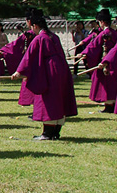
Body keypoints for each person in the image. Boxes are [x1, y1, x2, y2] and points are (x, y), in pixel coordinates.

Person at [10, 8, 78, 140]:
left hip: (50, 71)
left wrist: (19, 72)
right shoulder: (55, 37)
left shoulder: (39, 38)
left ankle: (47, 133)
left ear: (35, 26)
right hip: (62, 69)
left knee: (49, 99)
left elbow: (29, 57)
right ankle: (56, 132)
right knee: (59, 99)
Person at [80, 9, 117, 112]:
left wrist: (85, 53)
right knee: (111, 83)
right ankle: (112, 104)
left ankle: (109, 106)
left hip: (105, 61)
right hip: (114, 61)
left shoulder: (105, 33)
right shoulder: (114, 33)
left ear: (102, 22)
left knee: (106, 83)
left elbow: (94, 45)